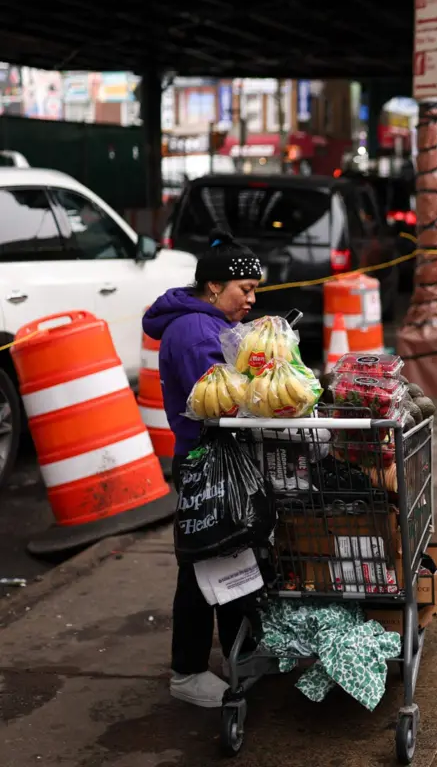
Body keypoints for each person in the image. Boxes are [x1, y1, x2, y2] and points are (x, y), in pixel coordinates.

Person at [142, 233, 263, 708]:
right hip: (206, 460)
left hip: (221, 457)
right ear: (214, 286)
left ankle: (241, 655)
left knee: (232, 557)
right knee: (202, 566)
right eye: (245, 289)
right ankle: (188, 672)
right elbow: (218, 402)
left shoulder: (207, 321)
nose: (251, 301)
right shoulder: (194, 330)